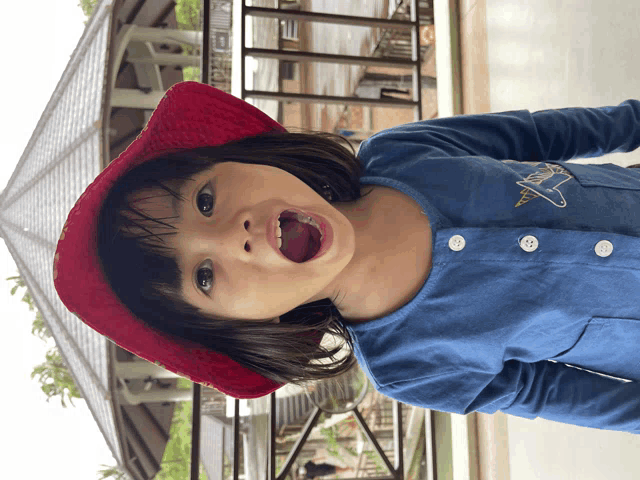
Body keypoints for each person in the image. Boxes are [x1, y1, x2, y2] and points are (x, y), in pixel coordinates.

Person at [54, 81, 640, 433]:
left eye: (206, 199)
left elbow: (532, 137)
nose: (236, 235)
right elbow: (546, 393)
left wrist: (630, 121)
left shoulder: (402, 151)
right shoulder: (410, 366)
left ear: (245, 157)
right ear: (244, 330)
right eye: (204, 276)